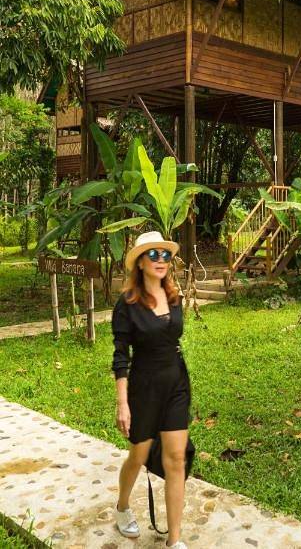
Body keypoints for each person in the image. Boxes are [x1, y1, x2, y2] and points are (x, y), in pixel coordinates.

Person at [111, 231, 191, 548]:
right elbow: (121, 357)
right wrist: (122, 403)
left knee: (176, 458)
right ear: (141, 262)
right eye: (154, 255)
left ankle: (175, 541)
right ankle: (122, 506)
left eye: (165, 255)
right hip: (144, 387)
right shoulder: (127, 304)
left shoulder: (174, 296)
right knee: (139, 454)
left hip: (176, 383)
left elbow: (172, 339)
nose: (161, 260)